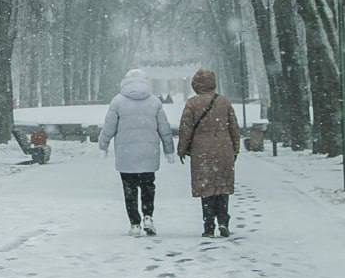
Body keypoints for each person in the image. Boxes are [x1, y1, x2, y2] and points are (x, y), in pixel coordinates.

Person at [99, 68, 175, 236]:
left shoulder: (118, 101)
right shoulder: (154, 102)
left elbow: (109, 127)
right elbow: (164, 129)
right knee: (148, 186)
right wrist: (169, 150)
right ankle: (148, 216)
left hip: (126, 153)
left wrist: (103, 145)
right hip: (149, 152)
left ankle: (134, 223)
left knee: (130, 189)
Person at [177, 68, 241, 238]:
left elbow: (185, 129)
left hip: (201, 151)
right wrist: (235, 148)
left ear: (196, 85)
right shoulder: (224, 102)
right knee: (222, 186)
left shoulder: (192, 103)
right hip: (224, 149)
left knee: (206, 187)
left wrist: (182, 149)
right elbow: (234, 127)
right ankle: (223, 220)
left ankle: (209, 225)